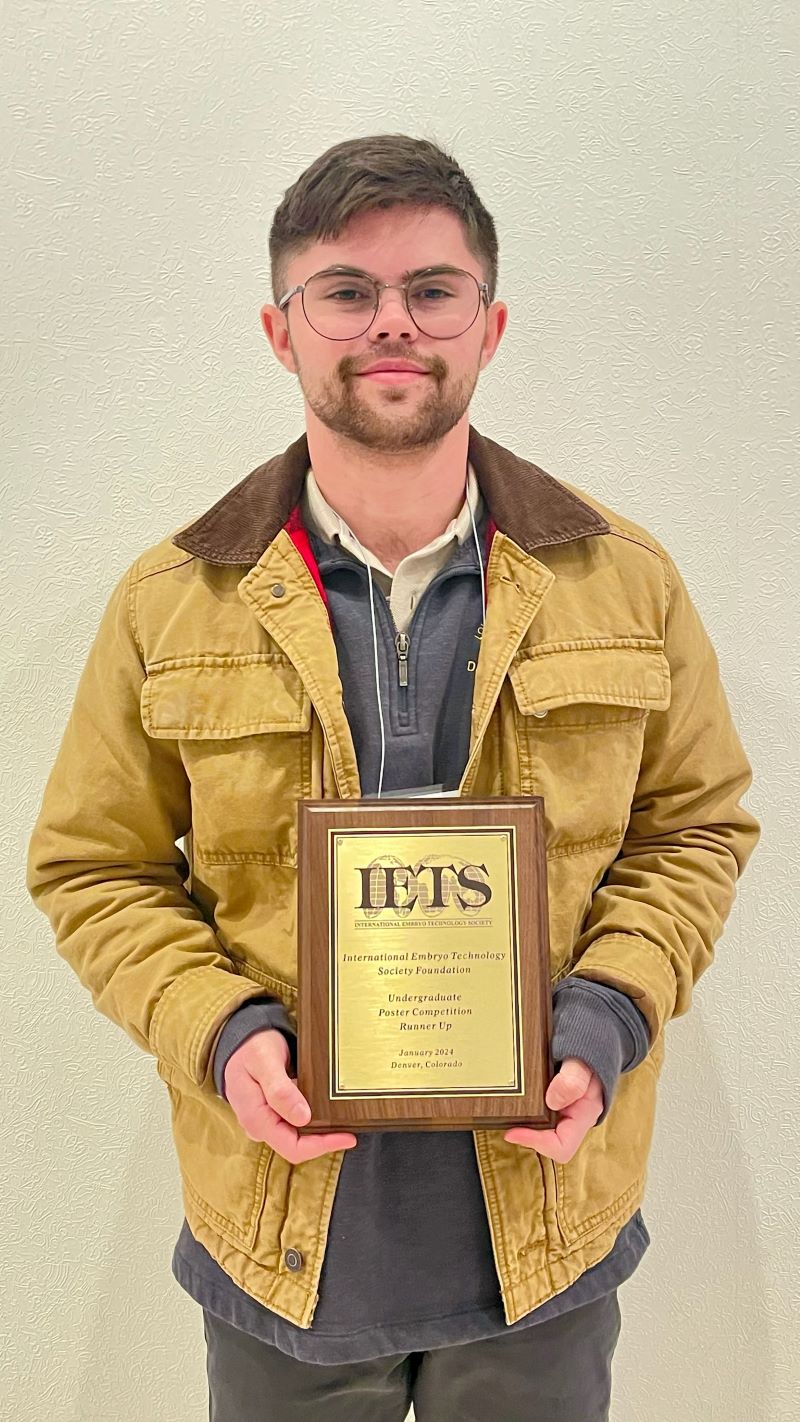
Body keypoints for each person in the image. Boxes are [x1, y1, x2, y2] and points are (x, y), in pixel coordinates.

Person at [26, 134, 761, 1422]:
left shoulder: (626, 581)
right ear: (280, 328)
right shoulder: (168, 604)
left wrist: (608, 1019)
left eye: (433, 289)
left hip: (545, 1242)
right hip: (284, 1244)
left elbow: (694, 828)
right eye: (346, 292)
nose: (393, 327)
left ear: (490, 323)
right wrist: (222, 1033)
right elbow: (96, 869)